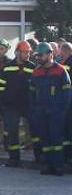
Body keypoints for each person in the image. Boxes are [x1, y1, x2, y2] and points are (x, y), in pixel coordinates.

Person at [30, 42, 71, 176]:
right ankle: (48, 165)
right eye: (37, 56)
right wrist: (34, 110)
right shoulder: (36, 72)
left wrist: (62, 110)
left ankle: (58, 166)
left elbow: (67, 93)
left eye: (41, 55)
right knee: (45, 139)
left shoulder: (60, 71)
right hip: (41, 112)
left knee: (56, 139)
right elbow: (31, 93)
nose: (39, 58)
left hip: (56, 112)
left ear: (50, 54)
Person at [0, 41, 36, 167]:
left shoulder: (32, 67)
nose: (27, 55)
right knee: (12, 132)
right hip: (11, 106)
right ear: (17, 52)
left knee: (35, 130)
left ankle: (40, 157)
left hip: (28, 105)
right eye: (25, 52)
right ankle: (14, 159)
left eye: (29, 52)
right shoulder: (7, 67)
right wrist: (2, 104)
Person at [60, 42, 72, 164]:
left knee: (67, 128)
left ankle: (67, 155)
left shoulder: (67, 65)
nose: (60, 54)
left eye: (61, 52)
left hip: (68, 101)